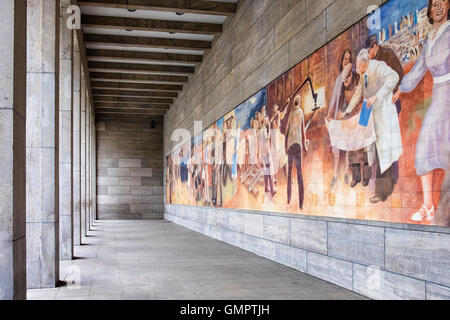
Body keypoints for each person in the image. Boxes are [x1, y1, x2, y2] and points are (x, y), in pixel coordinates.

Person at [393, 0, 449, 222]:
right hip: (439, 94)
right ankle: (428, 205)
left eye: (442, 1)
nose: (437, 6)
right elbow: (418, 70)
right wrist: (400, 89)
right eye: (433, 3)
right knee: (425, 145)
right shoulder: (430, 39)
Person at [345, 49, 402, 204]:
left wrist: (378, 95)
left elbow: (394, 77)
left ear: (365, 62)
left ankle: (381, 193)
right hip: (370, 113)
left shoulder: (378, 67)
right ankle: (381, 183)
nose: (357, 70)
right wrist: (346, 112)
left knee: (384, 152)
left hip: (383, 115)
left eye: (359, 66)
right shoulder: (364, 75)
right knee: (372, 151)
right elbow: (359, 94)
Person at [328, 49, 372, 189]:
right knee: (352, 147)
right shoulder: (342, 81)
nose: (348, 62)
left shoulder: (366, 76)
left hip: (364, 112)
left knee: (364, 145)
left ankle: (365, 176)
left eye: (349, 59)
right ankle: (355, 176)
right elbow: (354, 97)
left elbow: (363, 98)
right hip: (349, 116)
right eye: (344, 59)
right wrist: (344, 112)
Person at [285, 95, 309, 209]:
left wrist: (286, 146)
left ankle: (289, 199)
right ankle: (301, 203)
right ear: (299, 102)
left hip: (291, 145)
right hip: (297, 144)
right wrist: (304, 145)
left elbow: (287, 131)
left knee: (290, 173)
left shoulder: (291, 113)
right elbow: (303, 129)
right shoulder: (300, 112)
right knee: (299, 174)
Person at [270, 104, 288, 178]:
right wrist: (276, 117)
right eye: (275, 110)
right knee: (275, 158)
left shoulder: (278, 115)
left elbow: (284, 111)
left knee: (284, 157)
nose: (276, 111)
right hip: (275, 138)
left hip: (279, 137)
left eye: (277, 109)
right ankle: (273, 178)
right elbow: (275, 124)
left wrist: (287, 103)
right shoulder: (272, 119)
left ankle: (287, 176)